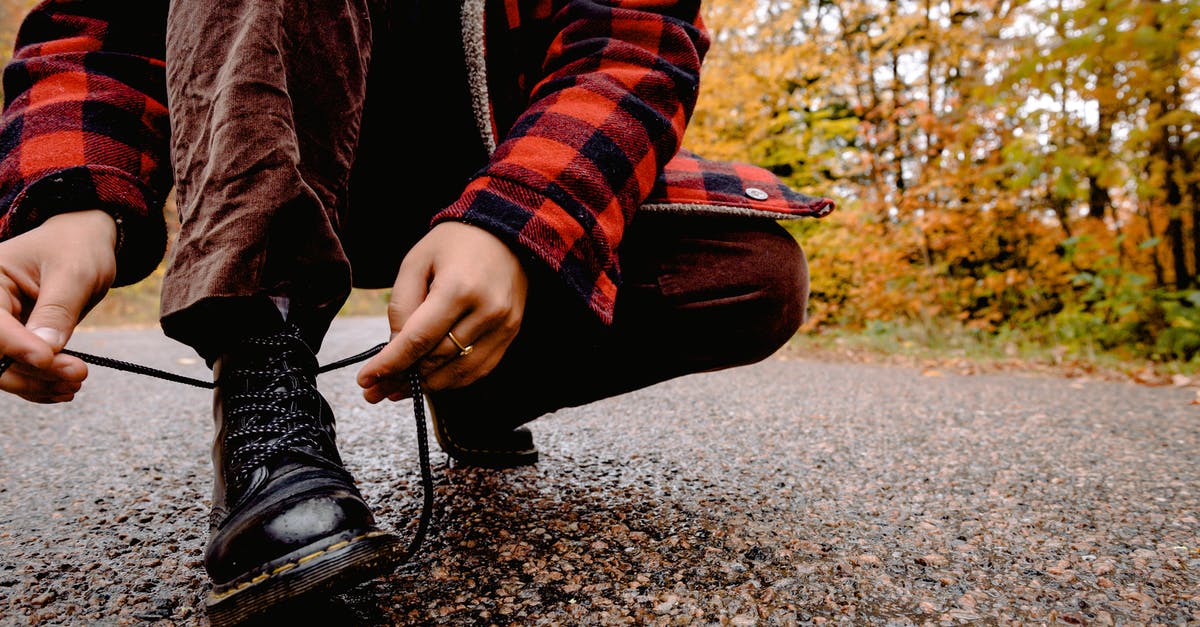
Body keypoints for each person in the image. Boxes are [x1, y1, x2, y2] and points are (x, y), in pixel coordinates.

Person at [0, 0, 833, 623]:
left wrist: (516, 221)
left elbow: (631, 48)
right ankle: (262, 377)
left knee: (753, 272)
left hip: (498, 155)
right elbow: (91, 31)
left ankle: (479, 373)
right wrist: (68, 202)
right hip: (271, 137)